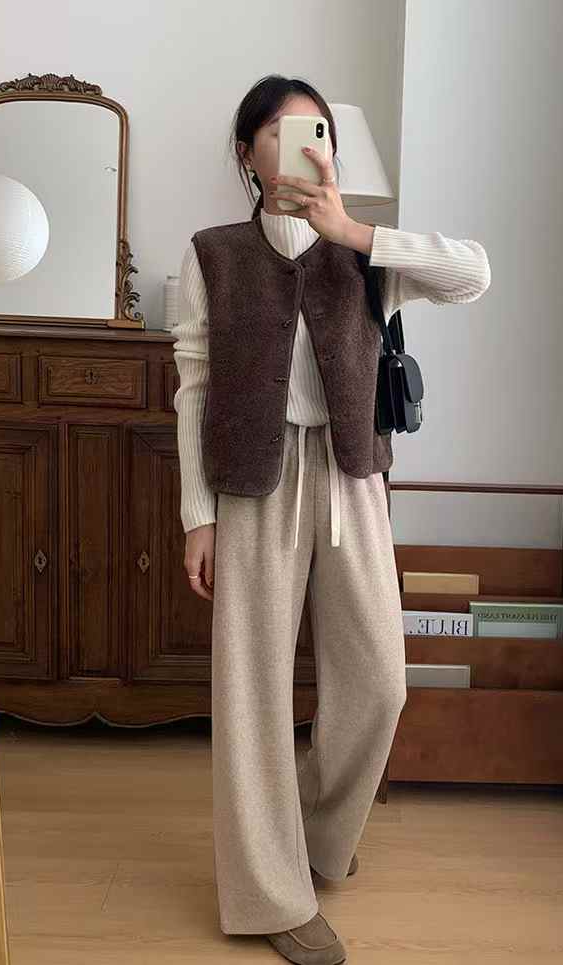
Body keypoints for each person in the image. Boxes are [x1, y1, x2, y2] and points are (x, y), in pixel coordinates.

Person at [171, 74, 491, 964]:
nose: (304, 147)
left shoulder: (365, 252)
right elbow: (193, 386)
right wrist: (197, 515)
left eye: (318, 132)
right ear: (249, 154)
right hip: (253, 482)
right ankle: (270, 894)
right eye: (281, 132)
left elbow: (474, 274)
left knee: (381, 681)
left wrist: (353, 230)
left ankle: (314, 835)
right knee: (254, 696)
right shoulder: (211, 254)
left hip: (352, 479)